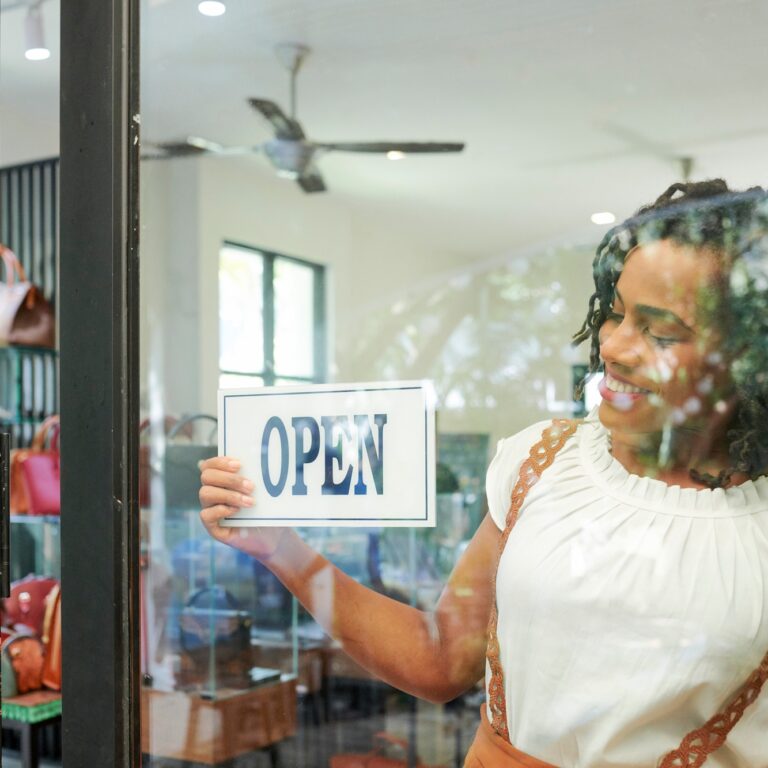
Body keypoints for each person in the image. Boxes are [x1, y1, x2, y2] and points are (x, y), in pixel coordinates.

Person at [200, 180, 768, 767]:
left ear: (748, 360)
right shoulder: (541, 464)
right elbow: (440, 659)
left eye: (661, 331)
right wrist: (279, 548)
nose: (615, 348)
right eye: (617, 313)